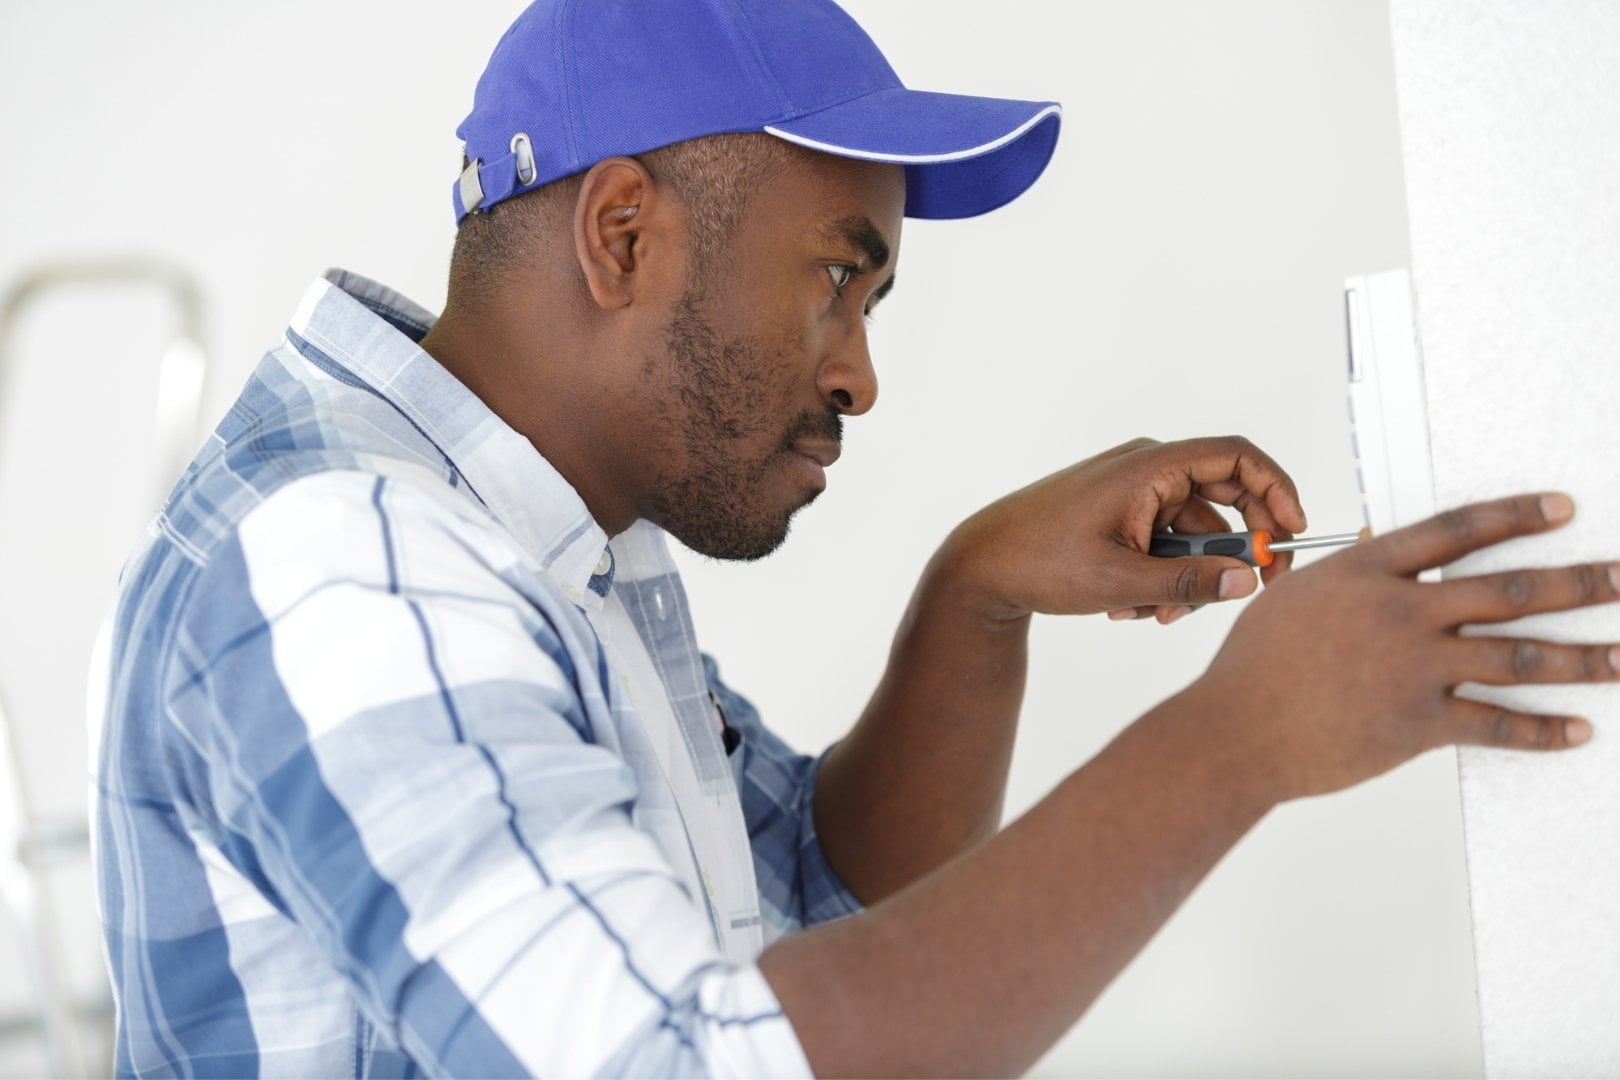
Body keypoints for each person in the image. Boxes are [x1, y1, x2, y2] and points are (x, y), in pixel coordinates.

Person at [92, 0, 1617, 1076]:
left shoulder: (545, 551)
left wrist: (978, 596)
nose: (858, 373)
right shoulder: (349, 564)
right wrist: (1237, 743)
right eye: (838, 277)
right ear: (622, 234)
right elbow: (688, 1063)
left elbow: (815, 908)